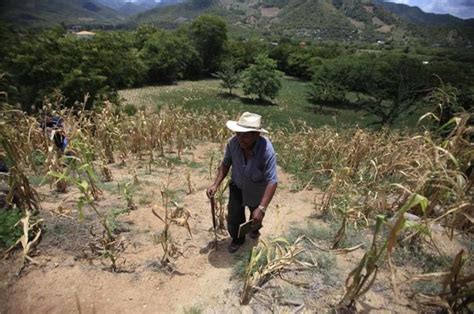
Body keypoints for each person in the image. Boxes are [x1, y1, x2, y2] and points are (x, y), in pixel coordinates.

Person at [207, 112, 278, 253]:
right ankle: (237, 239)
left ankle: (255, 229)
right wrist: (215, 184)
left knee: (256, 215)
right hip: (237, 185)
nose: (240, 138)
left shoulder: (266, 150)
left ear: (256, 135)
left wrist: (262, 208)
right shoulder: (233, 143)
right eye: (238, 133)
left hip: (257, 188)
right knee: (234, 215)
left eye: (245, 135)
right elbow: (226, 164)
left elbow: (272, 181)